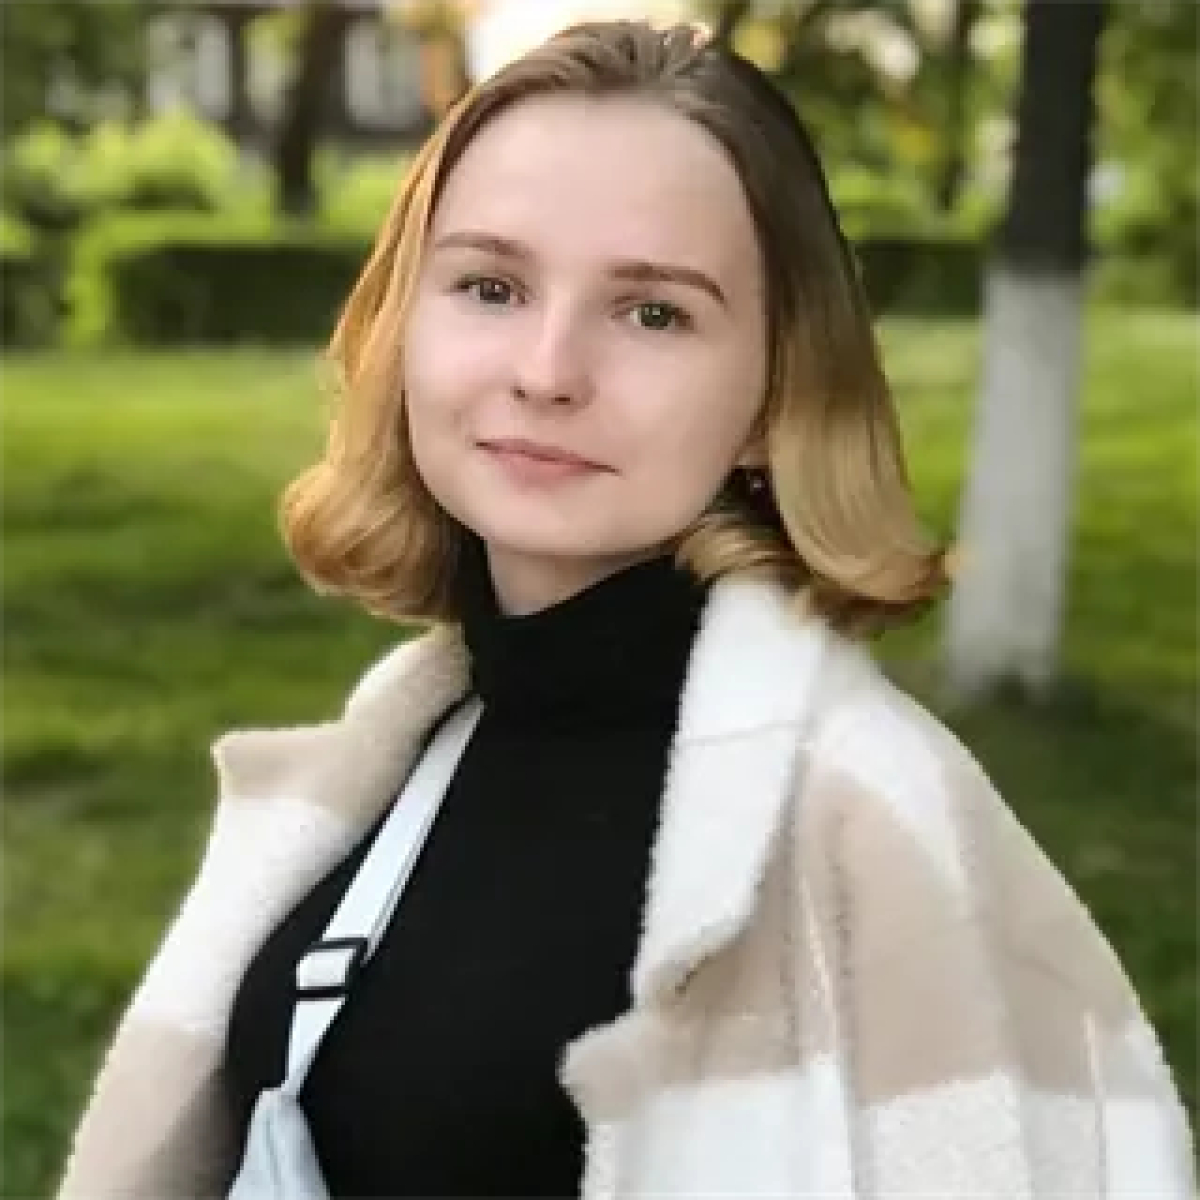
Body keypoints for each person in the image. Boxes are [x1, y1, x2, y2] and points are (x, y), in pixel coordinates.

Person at [58, 18, 1193, 1200]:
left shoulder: (876, 832)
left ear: (775, 392)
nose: (547, 371)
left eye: (654, 313)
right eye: (491, 287)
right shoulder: (408, 749)